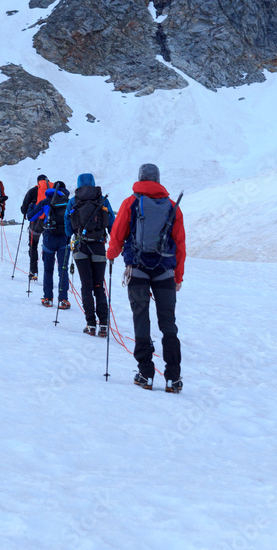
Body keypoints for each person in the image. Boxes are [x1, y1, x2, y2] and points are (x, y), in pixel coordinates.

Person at [107, 163, 185, 393]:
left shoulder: (130, 202)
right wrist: (178, 276)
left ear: (140, 177)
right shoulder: (172, 206)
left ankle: (146, 374)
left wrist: (111, 254)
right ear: (158, 179)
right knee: (168, 323)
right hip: (165, 272)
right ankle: (173, 378)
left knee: (141, 319)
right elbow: (180, 245)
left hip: (137, 270)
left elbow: (118, 233)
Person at [66, 174, 115, 336]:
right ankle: (104, 325)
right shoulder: (102, 200)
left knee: (86, 286)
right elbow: (111, 223)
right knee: (98, 286)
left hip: (80, 247)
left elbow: (68, 227)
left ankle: (91, 324)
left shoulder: (74, 201)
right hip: (99, 246)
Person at [29, 180, 71, 308]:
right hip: (64, 238)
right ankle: (63, 300)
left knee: (48, 269)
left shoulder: (46, 201)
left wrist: (31, 207)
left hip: (49, 237)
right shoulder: (69, 202)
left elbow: (31, 217)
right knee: (63, 269)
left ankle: (48, 298)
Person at [20, 175, 53, 281]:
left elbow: (24, 206)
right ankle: (48, 272)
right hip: (50, 222)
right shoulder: (53, 190)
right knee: (47, 246)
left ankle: (33, 271)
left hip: (36, 222)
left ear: (38, 181)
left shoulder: (34, 190)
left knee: (33, 246)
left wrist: (26, 212)